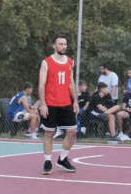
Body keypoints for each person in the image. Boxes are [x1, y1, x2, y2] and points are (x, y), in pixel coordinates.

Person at [38, 34, 79, 175]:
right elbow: (41, 85)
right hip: (50, 103)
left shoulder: (70, 62)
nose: (63, 46)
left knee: (72, 132)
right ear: (54, 46)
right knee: (49, 132)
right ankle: (47, 162)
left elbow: (71, 82)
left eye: (65, 44)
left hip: (66, 103)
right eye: (60, 44)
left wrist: (75, 101)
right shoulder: (47, 62)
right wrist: (43, 104)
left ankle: (62, 159)